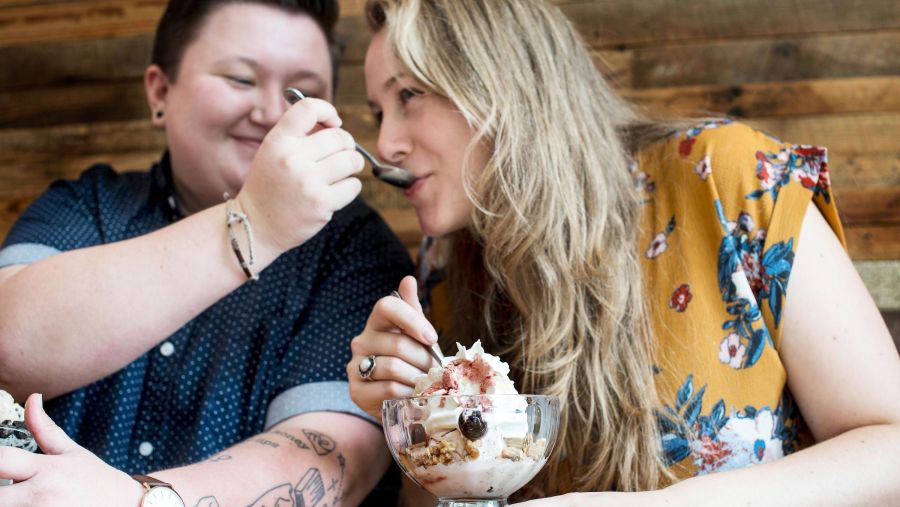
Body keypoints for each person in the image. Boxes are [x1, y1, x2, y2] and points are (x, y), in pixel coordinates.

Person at [347, 0, 900, 505]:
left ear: (500, 84)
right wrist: (405, 419)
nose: (387, 145)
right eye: (378, 114)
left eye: (408, 96)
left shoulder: (725, 180)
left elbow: (890, 450)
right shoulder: (443, 272)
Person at [0, 0, 410, 505]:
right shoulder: (85, 206)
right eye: (240, 79)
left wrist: (139, 501)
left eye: (304, 94)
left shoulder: (356, 251)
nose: (269, 114)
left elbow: (330, 463)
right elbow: (8, 347)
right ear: (159, 92)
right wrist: (254, 222)